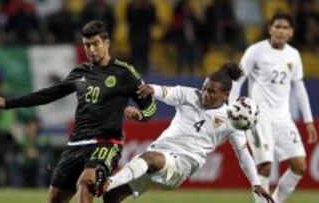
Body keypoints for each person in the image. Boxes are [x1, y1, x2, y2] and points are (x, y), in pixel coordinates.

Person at [0, 20, 156, 203]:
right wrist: (8, 103)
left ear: (107, 43)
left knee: (86, 184)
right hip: (76, 144)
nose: (91, 50)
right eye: (87, 45)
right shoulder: (79, 72)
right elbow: (48, 94)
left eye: (95, 44)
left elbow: (150, 105)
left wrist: (142, 115)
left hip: (106, 143)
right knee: (53, 200)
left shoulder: (125, 73)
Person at [102, 62, 274, 203]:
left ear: (226, 95)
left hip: (182, 164)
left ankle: (108, 182)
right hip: (160, 153)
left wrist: (255, 183)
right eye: (205, 88)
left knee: (147, 158)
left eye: (212, 91)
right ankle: (110, 187)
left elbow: (243, 154)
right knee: (112, 197)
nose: (205, 93)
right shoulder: (190, 95)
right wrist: (152, 89)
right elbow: (166, 92)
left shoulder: (231, 121)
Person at [229, 12, 318, 203]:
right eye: (277, 26)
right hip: (259, 118)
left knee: (300, 166)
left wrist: (308, 120)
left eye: (285, 27)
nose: (281, 31)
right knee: (265, 167)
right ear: (270, 29)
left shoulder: (293, 55)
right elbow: (238, 79)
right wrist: (231, 109)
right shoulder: (255, 51)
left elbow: (299, 87)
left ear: (291, 32)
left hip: (284, 119)